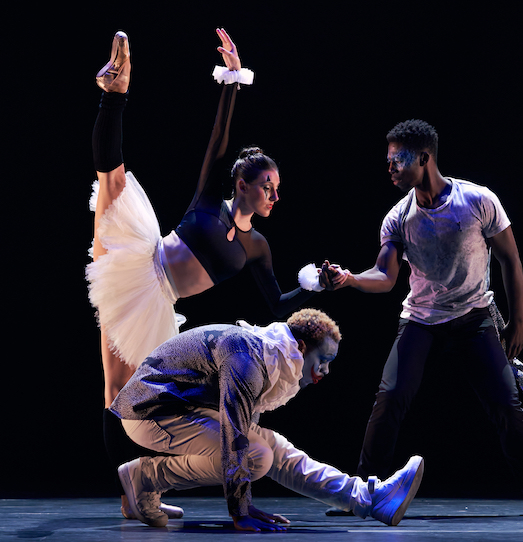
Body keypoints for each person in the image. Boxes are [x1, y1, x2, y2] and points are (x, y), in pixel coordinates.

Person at [88, 29, 330, 519]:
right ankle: (114, 93)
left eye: (278, 188)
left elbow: (276, 307)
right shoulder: (208, 203)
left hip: (159, 305)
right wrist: (232, 81)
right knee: (112, 181)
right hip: (143, 263)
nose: (274, 196)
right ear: (242, 184)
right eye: (268, 186)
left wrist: (320, 284)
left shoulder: (257, 247)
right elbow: (218, 138)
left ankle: (136, 491)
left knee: (131, 399)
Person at [320, 120, 523, 516]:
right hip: (420, 320)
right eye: (388, 161)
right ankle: (360, 497)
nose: (390, 167)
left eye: (397, 160)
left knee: (506, 404)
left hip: (474, 317)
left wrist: (518, 321)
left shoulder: (476, 200)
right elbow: (385, 276)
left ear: (423, 157)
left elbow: (510, 259)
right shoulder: (398, 217)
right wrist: (349, 279)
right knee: (390, 399)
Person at [111, 308, 425, 530]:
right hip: (148, 412)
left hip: (181, 407)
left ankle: (369, 498)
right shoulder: (248, 360)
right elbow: (233, 436)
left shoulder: (267, 355)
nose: (325, 372)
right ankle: (145, 478)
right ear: (301, 347)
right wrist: (241, 510)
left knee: (276, 449)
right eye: (324, 361)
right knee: (256, 456)